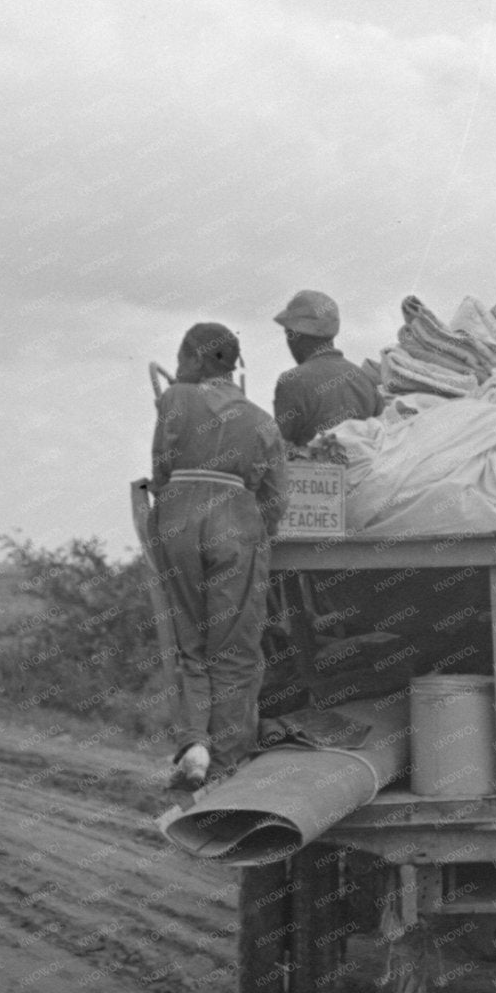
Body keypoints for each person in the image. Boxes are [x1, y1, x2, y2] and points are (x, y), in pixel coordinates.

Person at [148, 322, 287, 789]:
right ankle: (225, 766)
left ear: (198, 360)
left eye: (183, 358)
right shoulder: (261, 420)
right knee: (235, 650)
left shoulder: (174, 400)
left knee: (192, 644)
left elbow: (161, 468)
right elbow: (275, 500)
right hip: (235, 521)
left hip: (178, 520)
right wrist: (253, 536)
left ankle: (195, 744)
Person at [271, 289, 383, 445]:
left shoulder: (292, 381)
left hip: (309, 469)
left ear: (293, 336)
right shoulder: (365, 379)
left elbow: (280, 448)